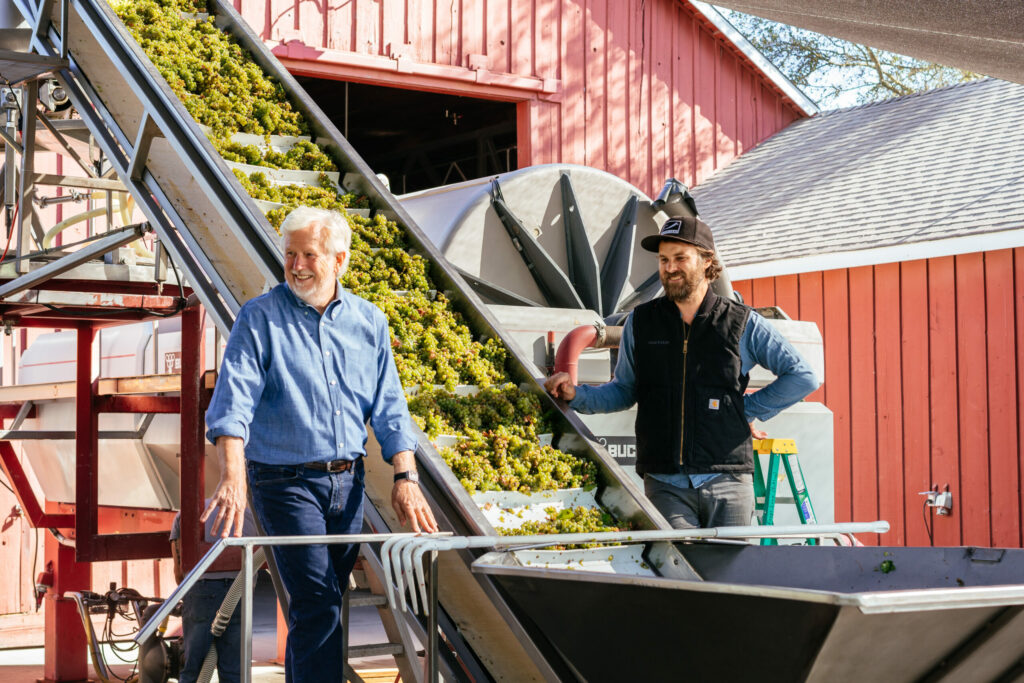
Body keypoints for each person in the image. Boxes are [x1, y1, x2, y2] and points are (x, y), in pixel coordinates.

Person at [201, 205, 438, 682]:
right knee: (317, 602)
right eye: (290, 254)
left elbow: (390, 405)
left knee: (324, 606)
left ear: (339, 261)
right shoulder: (260, 318)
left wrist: (405, 475)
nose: (297, 265)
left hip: (346, 485)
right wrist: (233, 476)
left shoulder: (369, 322)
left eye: (309, 254)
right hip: (281, 481)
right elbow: (234, 401)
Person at [545, 214, 819, 530]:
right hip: (665, 484)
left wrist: (744, 411)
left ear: (706, 261)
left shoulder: (742, 323)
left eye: (680, 258)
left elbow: (802, 376)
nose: (670, 268)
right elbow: (623, 390)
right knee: (678, 570)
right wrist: (576, 395)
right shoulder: (641, 323)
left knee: (726, 573)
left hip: (727, 480)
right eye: (663, 260)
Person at [169, 501, 257, 683]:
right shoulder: (252, 513)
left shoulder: (187, 513)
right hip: (240, 588)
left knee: (194, 665)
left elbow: (179, 571)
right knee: (235, 669)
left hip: (201, 588)